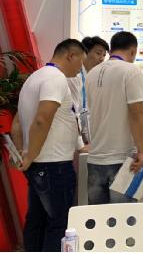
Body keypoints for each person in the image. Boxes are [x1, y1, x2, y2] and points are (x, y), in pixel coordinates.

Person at [17, 39, 86, 251]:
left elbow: (17, 123)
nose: (81, 69)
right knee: (58, 224)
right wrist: (30, 155)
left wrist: (24, 153)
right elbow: (42, 119)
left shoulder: (34, 78)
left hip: (39, 165)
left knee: (36, 221)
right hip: (54, 166)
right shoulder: (56, 79)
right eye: (80, 62)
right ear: (70, 56)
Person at [85, 31, 143, 204]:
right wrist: (141, 151)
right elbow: (136, 113)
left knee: (98, 218)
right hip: (123, 160)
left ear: (111, 50)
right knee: (124, 218)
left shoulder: (91, 73)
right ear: (133, 51)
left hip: (95, 159)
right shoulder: (131, 71)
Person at [67, 36, 109, 148]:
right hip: (73, 138)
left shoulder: (96, 75)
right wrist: (80, 145)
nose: (102, 58)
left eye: (104, 55)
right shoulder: (74, 75)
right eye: (98, 53)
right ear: (85, 53)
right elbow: (72, 112)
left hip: (89, 134)